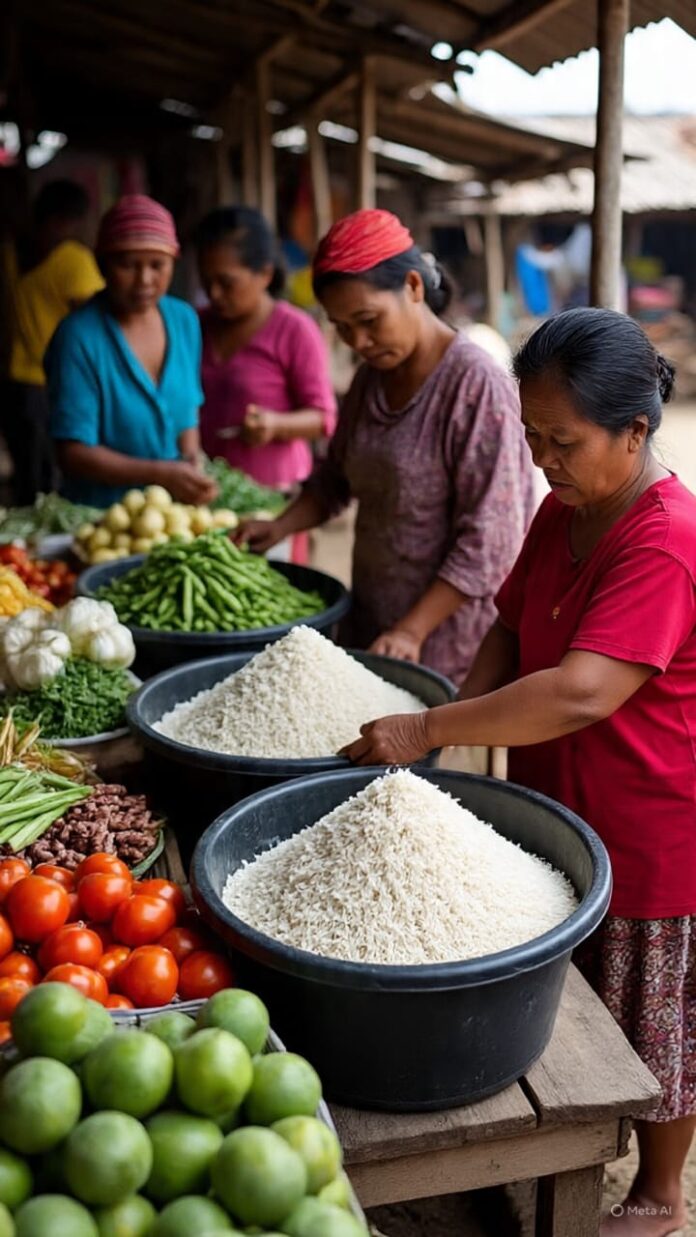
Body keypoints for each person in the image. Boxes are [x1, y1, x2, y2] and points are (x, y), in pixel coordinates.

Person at [343, 307, 696, 1237]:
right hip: (558, 799)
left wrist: (424, 728)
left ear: (635, 429)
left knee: (651, 1012)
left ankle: (659, 1192)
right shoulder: (562, 506)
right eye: (535, 435)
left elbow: (581, 690)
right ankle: (557, 1150)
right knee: (565, 995)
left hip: (650, 814)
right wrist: (451, 729)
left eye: (565, 440)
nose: (544, 457)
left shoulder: (664, 539)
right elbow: (508, 623)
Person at [239, 209, 535, 684]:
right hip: (374, 616)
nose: (359, 341)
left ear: (414, 288)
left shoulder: (475, 386)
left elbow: (490, 541)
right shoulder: (370, 381)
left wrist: (413, 629)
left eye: (368, 320)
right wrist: (279, 526)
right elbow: (335, 477)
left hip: (446, 635)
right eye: (342, 327)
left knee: (415, 752)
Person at [47, 194, 215, 510]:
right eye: (127, 264)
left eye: (157, 265)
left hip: (169, 512)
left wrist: (192, 459)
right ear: (102, 264)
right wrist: (161, 474)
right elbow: (72, 453)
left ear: (173, 263)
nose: (144, 280)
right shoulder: (78, 337)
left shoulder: (183, 320)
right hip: (100, 517)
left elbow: (187, 411)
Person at [196, 206, 336, 484]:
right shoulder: (194, 324)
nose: (214, 294)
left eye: (226, 283)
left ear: (265, 274)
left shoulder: (294, 330)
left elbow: (324, 418)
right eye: (206, 281)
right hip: (203, 489)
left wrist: (275, 425)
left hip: (272, 495)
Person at [6, 180, 104, 503]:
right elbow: (98, 324)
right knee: (49, 485)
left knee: (29, 480)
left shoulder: (12, 253)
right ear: (67, 220)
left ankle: (21, 551)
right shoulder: (73, 259)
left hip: (17, 383)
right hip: (51, 385)